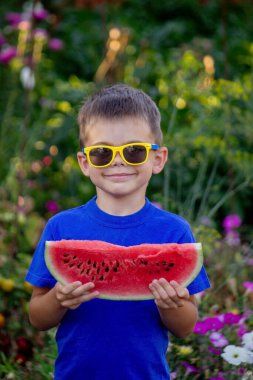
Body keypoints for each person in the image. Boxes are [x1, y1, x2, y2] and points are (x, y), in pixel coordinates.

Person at [25, 84, 210, 380]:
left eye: (134, 151)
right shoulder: (61, 228)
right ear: (85, 163)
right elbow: (37, 316)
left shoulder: (174, 231)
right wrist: (58, 299)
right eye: (102, 153)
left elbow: (186, 326)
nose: (118, 161)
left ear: (158, 159)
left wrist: (170, 305)